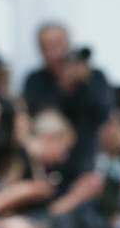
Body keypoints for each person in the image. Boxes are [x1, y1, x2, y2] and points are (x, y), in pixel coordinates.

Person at [23, 23, 112, 175]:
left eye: (57, 43)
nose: (52, 51)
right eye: (46, 45)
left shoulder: (93, 77)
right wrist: (64, 87)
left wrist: (83, 84)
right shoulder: (35, 80)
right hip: (48, 164)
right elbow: (41, 117)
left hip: (86, 160)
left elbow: (102, 113)